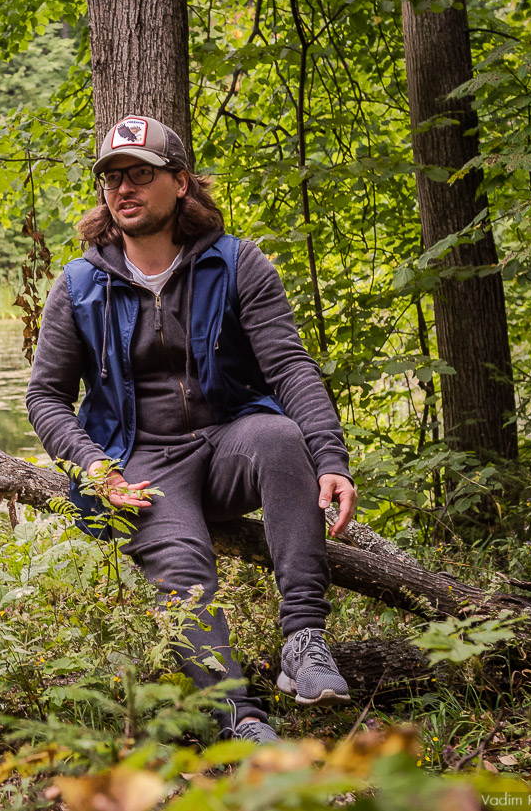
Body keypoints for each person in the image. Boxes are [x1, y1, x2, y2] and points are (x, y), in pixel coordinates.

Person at [25, 114, 357, 744]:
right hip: (141, 462)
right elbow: (45, 396)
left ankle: (304, 641)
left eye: (141, 175)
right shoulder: (78, 285)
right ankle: (240, 716)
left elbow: (288, 367)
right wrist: (93, 466)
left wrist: (332, 459)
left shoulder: (237, 265)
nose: (124, 189)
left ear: (180, 183)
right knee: (181, 567)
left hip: (229, 440)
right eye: (113, 178)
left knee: (284, 437)